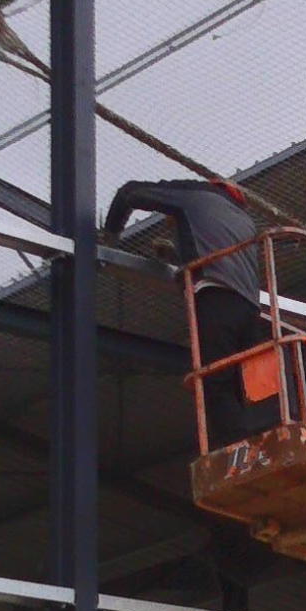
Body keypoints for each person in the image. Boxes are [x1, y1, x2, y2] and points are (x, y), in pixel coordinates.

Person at [104, 178, 268, 444]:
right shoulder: (245, 222)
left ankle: (237, 454)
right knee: (244, 386)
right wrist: (177, 257)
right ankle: (258, 445)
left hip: (217, 300)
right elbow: (215, 255)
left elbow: (129, 192)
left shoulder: (196, 195)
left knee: (214, 382)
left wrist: (109, 237)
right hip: (250, 311)